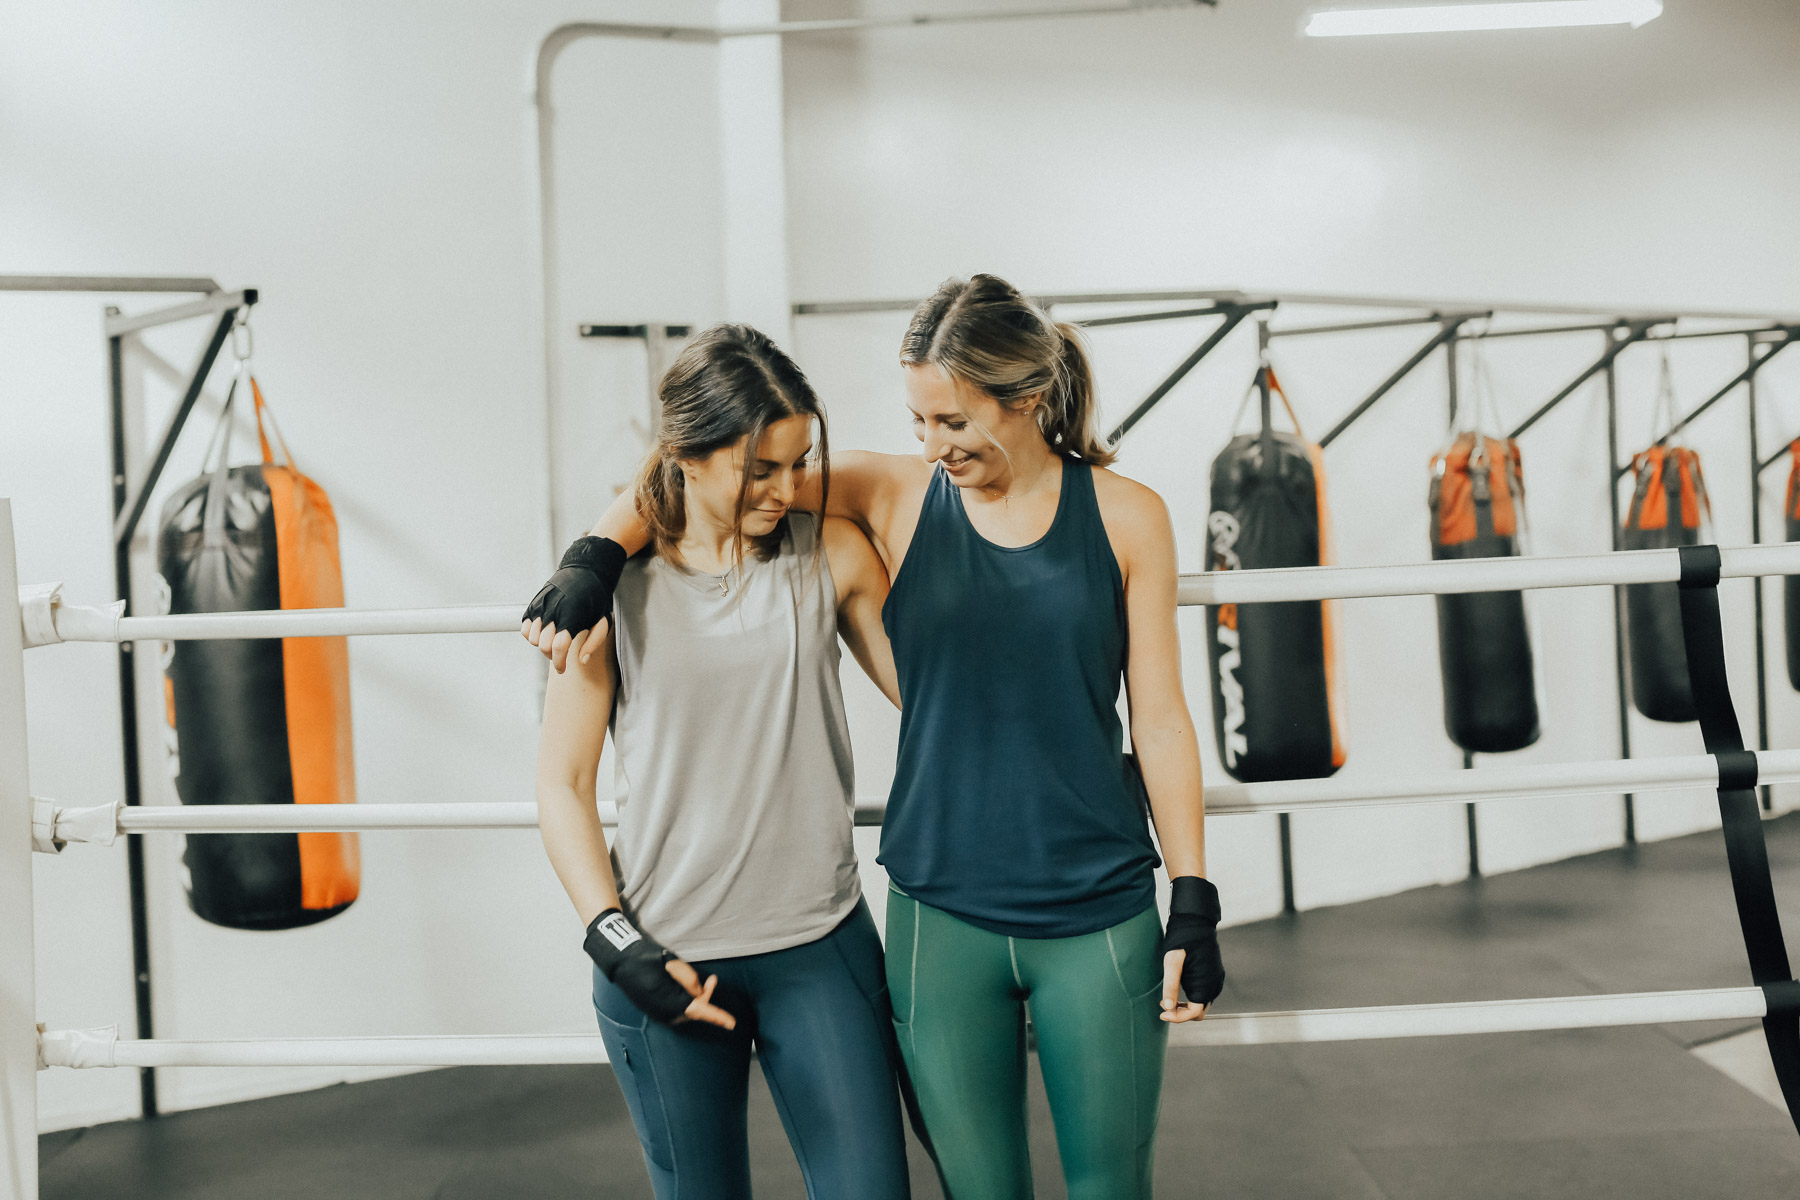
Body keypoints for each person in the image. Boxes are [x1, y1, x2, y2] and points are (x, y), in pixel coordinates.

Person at [527, 275, 1224, 1200]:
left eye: (952, 422)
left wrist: (1193, 889)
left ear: (1025, 399)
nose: (932, 445)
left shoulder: (1112, 517)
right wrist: (597, 554)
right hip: (921, 905)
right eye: (918, 422)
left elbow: (1159, 718)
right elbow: (701, 474)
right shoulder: (891, 497)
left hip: (1063, 898)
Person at [530, 324, 912, 1200]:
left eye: (796, 464)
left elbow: (931, 704)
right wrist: (613, 937)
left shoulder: (831, 555)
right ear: (688, 458)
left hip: (819, 944)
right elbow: (562, 783)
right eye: (759, 469)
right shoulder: (612, 594)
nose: (785, 490)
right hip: (667, 954)